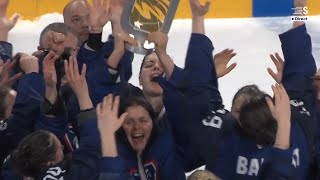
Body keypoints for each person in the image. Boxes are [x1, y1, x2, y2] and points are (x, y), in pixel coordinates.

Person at [3, 57, 101, 180]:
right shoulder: (71, 175)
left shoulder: (15, 167)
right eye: (59, 148)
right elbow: (90, 153)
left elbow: (49, 126)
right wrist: (83, 94)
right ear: (49, 164)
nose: (62, 147)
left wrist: (50, 87)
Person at [95, 95, 186, 179]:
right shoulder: (109, 155)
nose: (137, 127)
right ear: (120, 127)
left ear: (153, 124)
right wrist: (107, 135)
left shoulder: (166, 150)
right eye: (129, 122)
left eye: (143, 120)